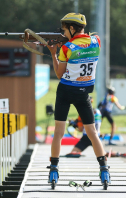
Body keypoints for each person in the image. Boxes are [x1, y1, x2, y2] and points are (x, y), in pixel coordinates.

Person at [45, 13, 110, 188]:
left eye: (65, 30)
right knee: (92, 133)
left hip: (66, 91)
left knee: (58, 132)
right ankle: (104, 169)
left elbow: (59, 74)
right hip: (84, 93)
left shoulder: (67, 48)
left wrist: (54, 53)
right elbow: (89, 39)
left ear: (72, 28)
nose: (63, 33)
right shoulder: (97, 41)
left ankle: (53, 169)